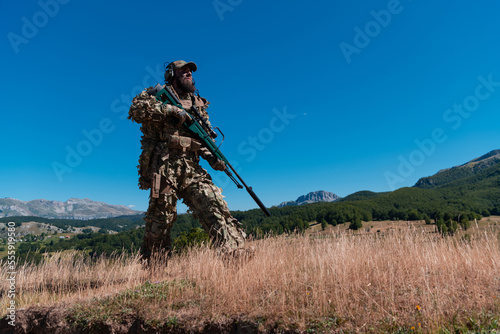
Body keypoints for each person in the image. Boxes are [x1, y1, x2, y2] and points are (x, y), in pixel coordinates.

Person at [128, 60, 248, 261]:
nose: (189, 74)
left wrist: (211, 157)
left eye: (190, 71)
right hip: (164, 165)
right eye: (183, 71)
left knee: (214, 204)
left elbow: (203, 139)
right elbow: (136, 110)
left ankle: (236, 255)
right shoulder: (156, 94)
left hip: (191, 166)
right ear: (172, 74)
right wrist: (171, 111)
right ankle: (154, 266)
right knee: (161, 220)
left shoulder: (198, 104)